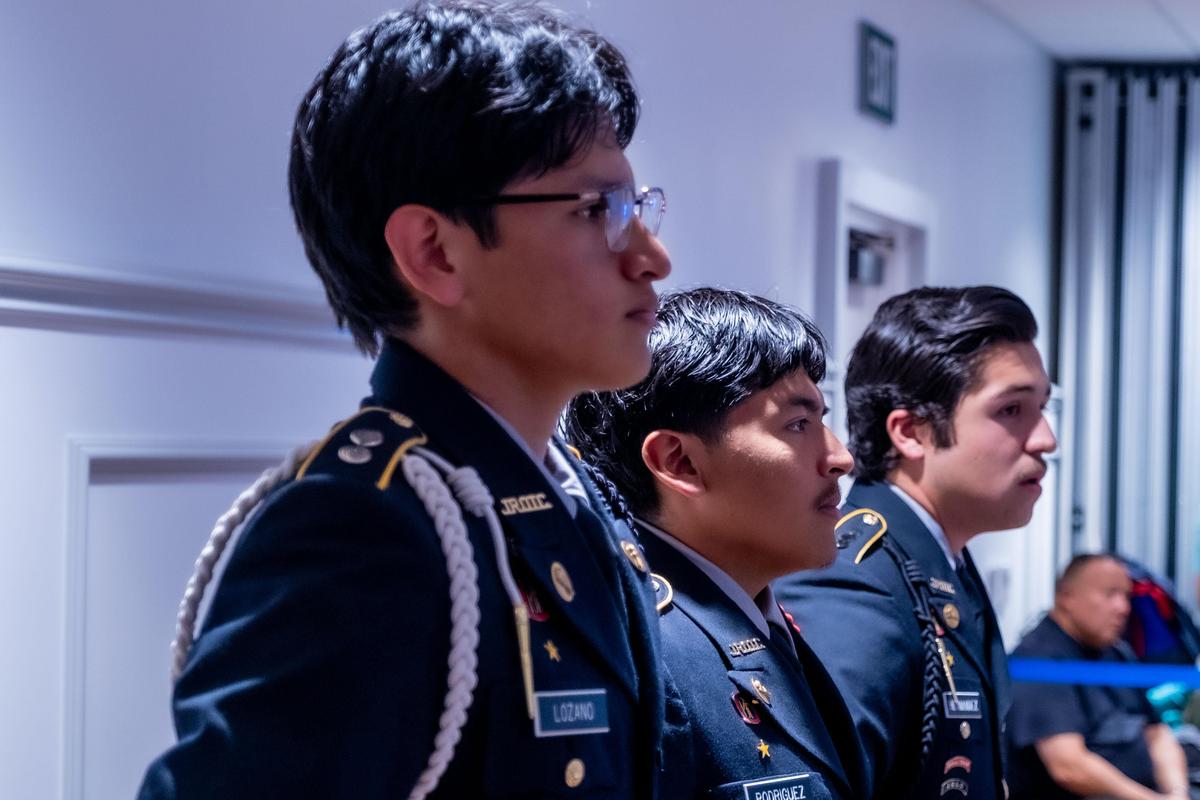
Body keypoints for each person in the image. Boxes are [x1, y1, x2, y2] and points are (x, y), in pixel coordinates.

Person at [137, 2, 672, 797]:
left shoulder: (569, 491)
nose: (653, 257)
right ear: (434, 252)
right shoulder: (368, 528)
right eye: (598, 211)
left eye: (637, 207)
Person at [565, 288, 867, 800]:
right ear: (680, 462)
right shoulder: (643, 656)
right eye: (798, 424)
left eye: (822, 419)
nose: (840, 457)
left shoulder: (758, 618)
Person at [774, 285, 1057, 800]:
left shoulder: (940, 562)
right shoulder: (853, 579)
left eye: (1043, 407)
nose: (1046, 439)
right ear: (910, 432)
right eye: (1012, 410)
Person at [1007, 554, 1191, 800]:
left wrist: (1177, 792)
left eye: (1126, 596)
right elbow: (1068, 767)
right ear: (1066, 596)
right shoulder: (1038, 661)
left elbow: (1157, 734)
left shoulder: (1117, 653)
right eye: (1110, 594)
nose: (1123, 608)